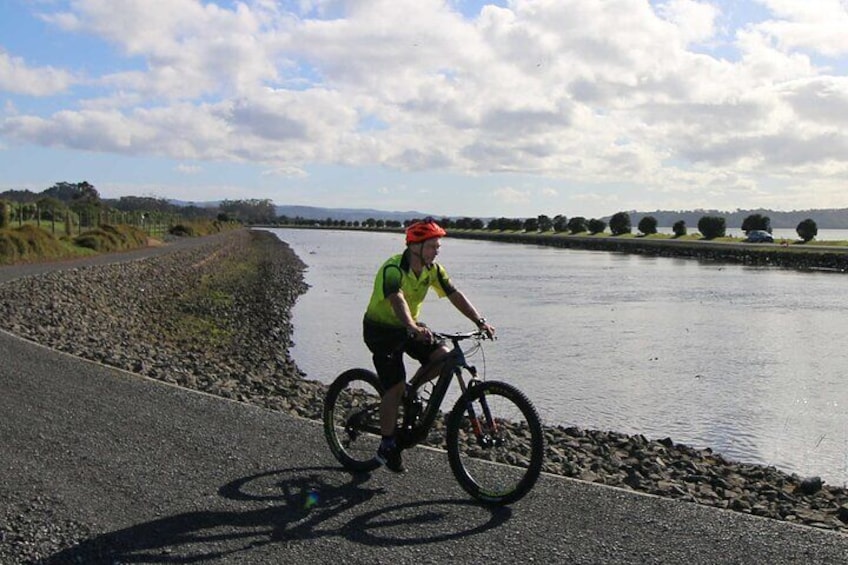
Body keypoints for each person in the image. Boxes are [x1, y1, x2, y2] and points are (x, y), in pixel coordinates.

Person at [362, 218, 495, 473]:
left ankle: (411, 391)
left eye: (438, 245)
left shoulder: (433, 269)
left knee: (443, 356)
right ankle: (387, 443)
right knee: (394, 386)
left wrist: (479, 321)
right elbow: (396, 298)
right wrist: (412, 327)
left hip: (409, 326)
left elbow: (454, 294)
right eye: (433, 245)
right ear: (415, 247)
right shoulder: (393, 268)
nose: (437, 250)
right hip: (381, 331)